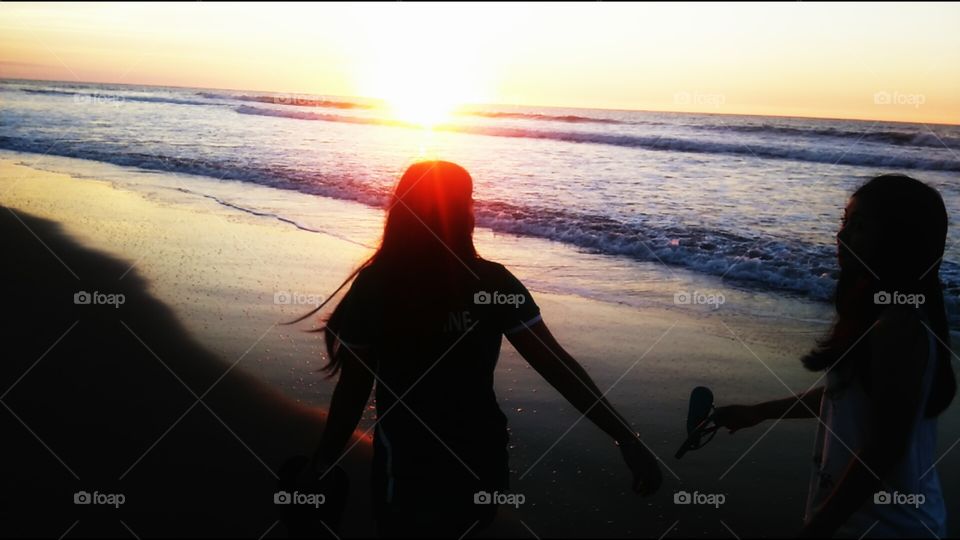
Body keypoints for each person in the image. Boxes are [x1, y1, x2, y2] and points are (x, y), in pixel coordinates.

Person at [292, 161, 662, 537]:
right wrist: (624, 438)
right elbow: (557, 367)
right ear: (460, 211)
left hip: (407, 461)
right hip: (482, 458)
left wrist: (321, 464)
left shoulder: (377, 284)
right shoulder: (491, 282)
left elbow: (354, 390)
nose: (472, 209)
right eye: (467, 200)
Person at [713, 174, 955, 537]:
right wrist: (760, 412)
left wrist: (817, 530)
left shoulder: (899, 327)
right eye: (844, 223)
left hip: (890, 526)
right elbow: (843, 396)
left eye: (859, 227)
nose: (841, 236)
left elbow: (884, 447)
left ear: (898, 242)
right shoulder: (879, 316)